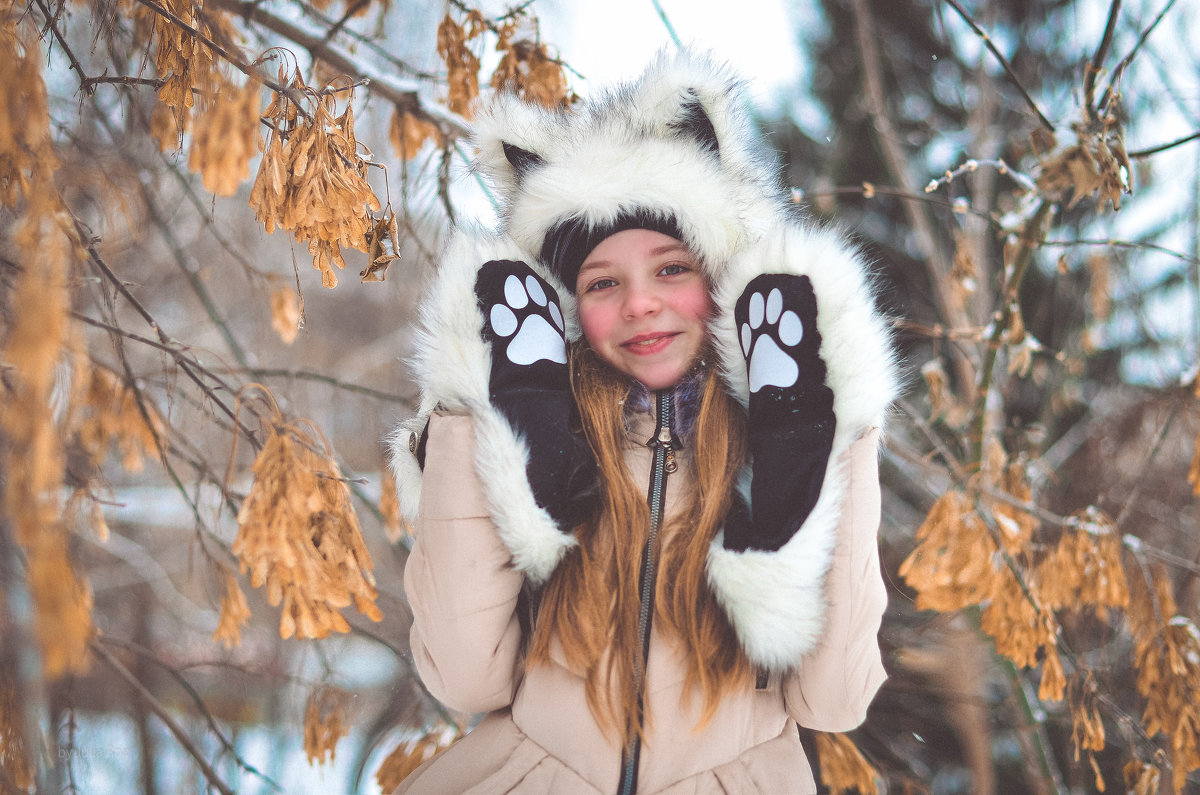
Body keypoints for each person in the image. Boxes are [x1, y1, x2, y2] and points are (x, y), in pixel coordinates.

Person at [389, 49, 898, 794]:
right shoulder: (551, 432)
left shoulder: (756, 438)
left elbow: (834, 697)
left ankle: (793, 469)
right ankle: (525, 431)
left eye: (670, 268)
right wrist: (470, 417)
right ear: (562, 304)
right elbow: (467, 677)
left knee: (791, 480)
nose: (639, 304)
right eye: (601, 282)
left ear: (724, 271)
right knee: (528, 469)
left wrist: (839, 441)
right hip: (536, 774)